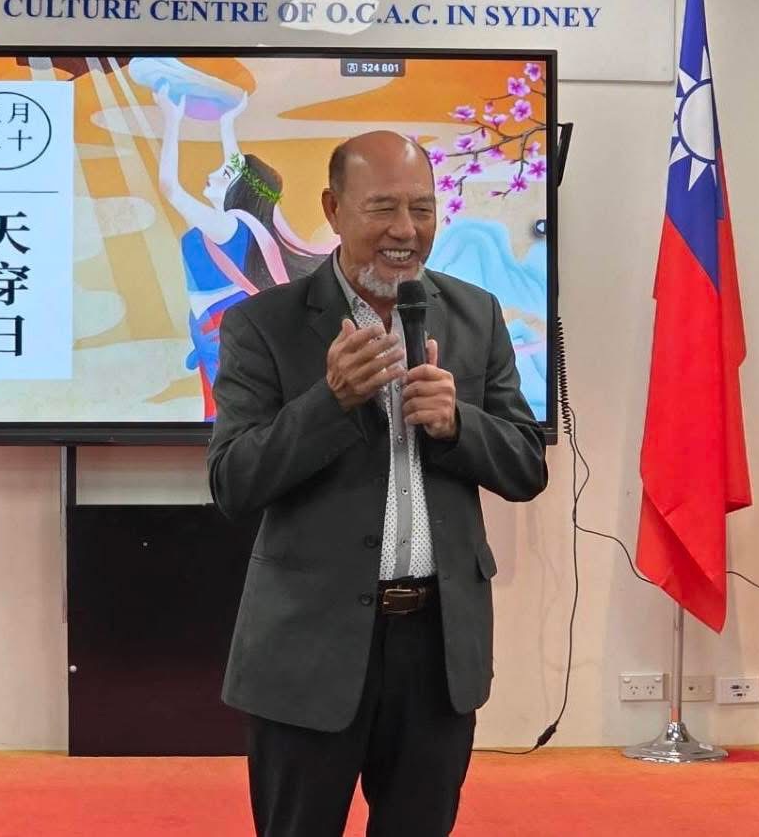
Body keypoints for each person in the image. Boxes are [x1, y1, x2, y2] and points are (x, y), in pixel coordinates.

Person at [207, 130, 548, 836]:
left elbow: (524, 465)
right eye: (383, 208)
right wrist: (328, 402)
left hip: (436, 648)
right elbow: (233, 481)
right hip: (309, 647)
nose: (405, 230)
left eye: (422, 209)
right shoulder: (263, 325)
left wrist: (458, 424)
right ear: (333, 209)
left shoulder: (475, 314)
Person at [155, 82, 330, 419]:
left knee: (228, 417)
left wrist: (171, 120)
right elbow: (239, 168)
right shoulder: (233, 226)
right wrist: (227, 124)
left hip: (220, 329)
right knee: (229, 415)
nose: (212, 172)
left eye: (224, 173)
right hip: (216, 329)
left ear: (238, 188)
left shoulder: (229, 227)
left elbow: (170, 188)